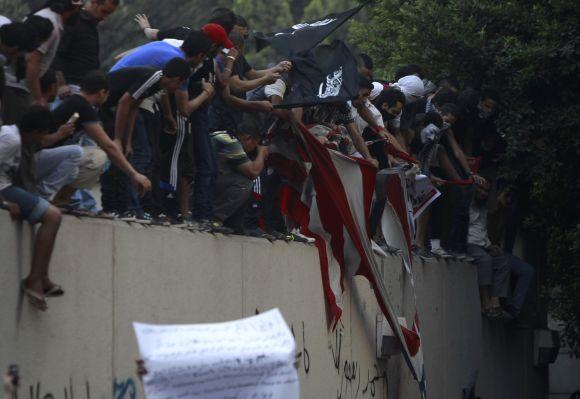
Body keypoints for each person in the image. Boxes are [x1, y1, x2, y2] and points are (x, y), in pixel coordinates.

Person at [98, 59, 188, 217]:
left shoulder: (157, 84)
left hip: (116, 108)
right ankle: (114, 206)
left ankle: (122, 207)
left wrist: (128, 141)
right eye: (180, 85)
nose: (177, 89)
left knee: (126, 154)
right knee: (115, 157)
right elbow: (124, 102)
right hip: (105, 104)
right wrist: (118, 139)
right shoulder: (152, 77)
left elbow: (133, 108)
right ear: (177, 79)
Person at [51, 70, 152, 208]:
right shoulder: (83, 107)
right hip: (45, 157)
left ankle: (62, 200)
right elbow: (109, 147)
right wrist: (134, 174)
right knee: (99, 157)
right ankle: (59, 198)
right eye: (108, 94)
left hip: (46, 154)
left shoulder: (75, 102)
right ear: (101, 92)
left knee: (84, 153)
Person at [0, 106, 65, 311]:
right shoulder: (12, 140)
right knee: (52, 216)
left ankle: (42, 278)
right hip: (3, 188)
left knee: (53, 214)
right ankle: (35, 279)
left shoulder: (14, 137)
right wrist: (2, 202)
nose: (42, 139)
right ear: (36, 131)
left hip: (6, 185)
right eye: (44, 134)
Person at [467, 179, 534, 320]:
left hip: (487, 246)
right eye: (481, 189)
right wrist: (499, 208)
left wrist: (489, 245)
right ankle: (487, 302)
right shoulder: (478, 207)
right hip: (474, 245)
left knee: (509, 263)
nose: (484, 193)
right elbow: (488, 232)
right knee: (487, 260)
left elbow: (485, 234)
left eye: (486, 190)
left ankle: (504, 305)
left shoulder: (488, 209)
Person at [211, 118, 268, 233]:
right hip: (198, 189)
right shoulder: (231, 142)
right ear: (248, 139)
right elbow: (253, 172)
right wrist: (261, 153)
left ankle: (234, 224)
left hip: (201, 187)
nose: (252, 149)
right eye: (255, 145)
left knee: (239, 176)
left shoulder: (221, 135)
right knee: (244, 183)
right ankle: (214, 219)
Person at [54, 0, 120, 97]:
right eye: (104, 12)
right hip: (69, 88)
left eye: (108, 14)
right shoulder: (74, 22)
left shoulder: (92, 27)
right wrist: (61, 85)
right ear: (94, 2)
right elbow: (57, 53)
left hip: (85, 89)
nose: (104, 18)